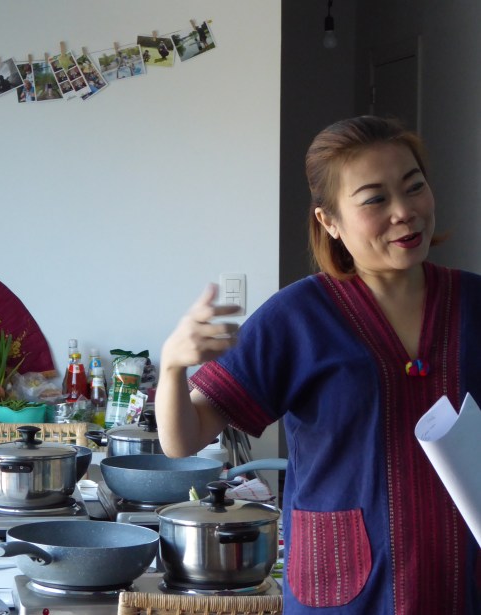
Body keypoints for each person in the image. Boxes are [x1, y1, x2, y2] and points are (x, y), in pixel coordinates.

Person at [155, 115, 480, 614]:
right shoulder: (297, 317)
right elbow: (184, 438)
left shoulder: (473, 303)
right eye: (375, 200)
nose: (404, 212)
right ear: (329, 220)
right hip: (349, 591)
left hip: (464, 583)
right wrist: (173, 366)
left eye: (414, 188)